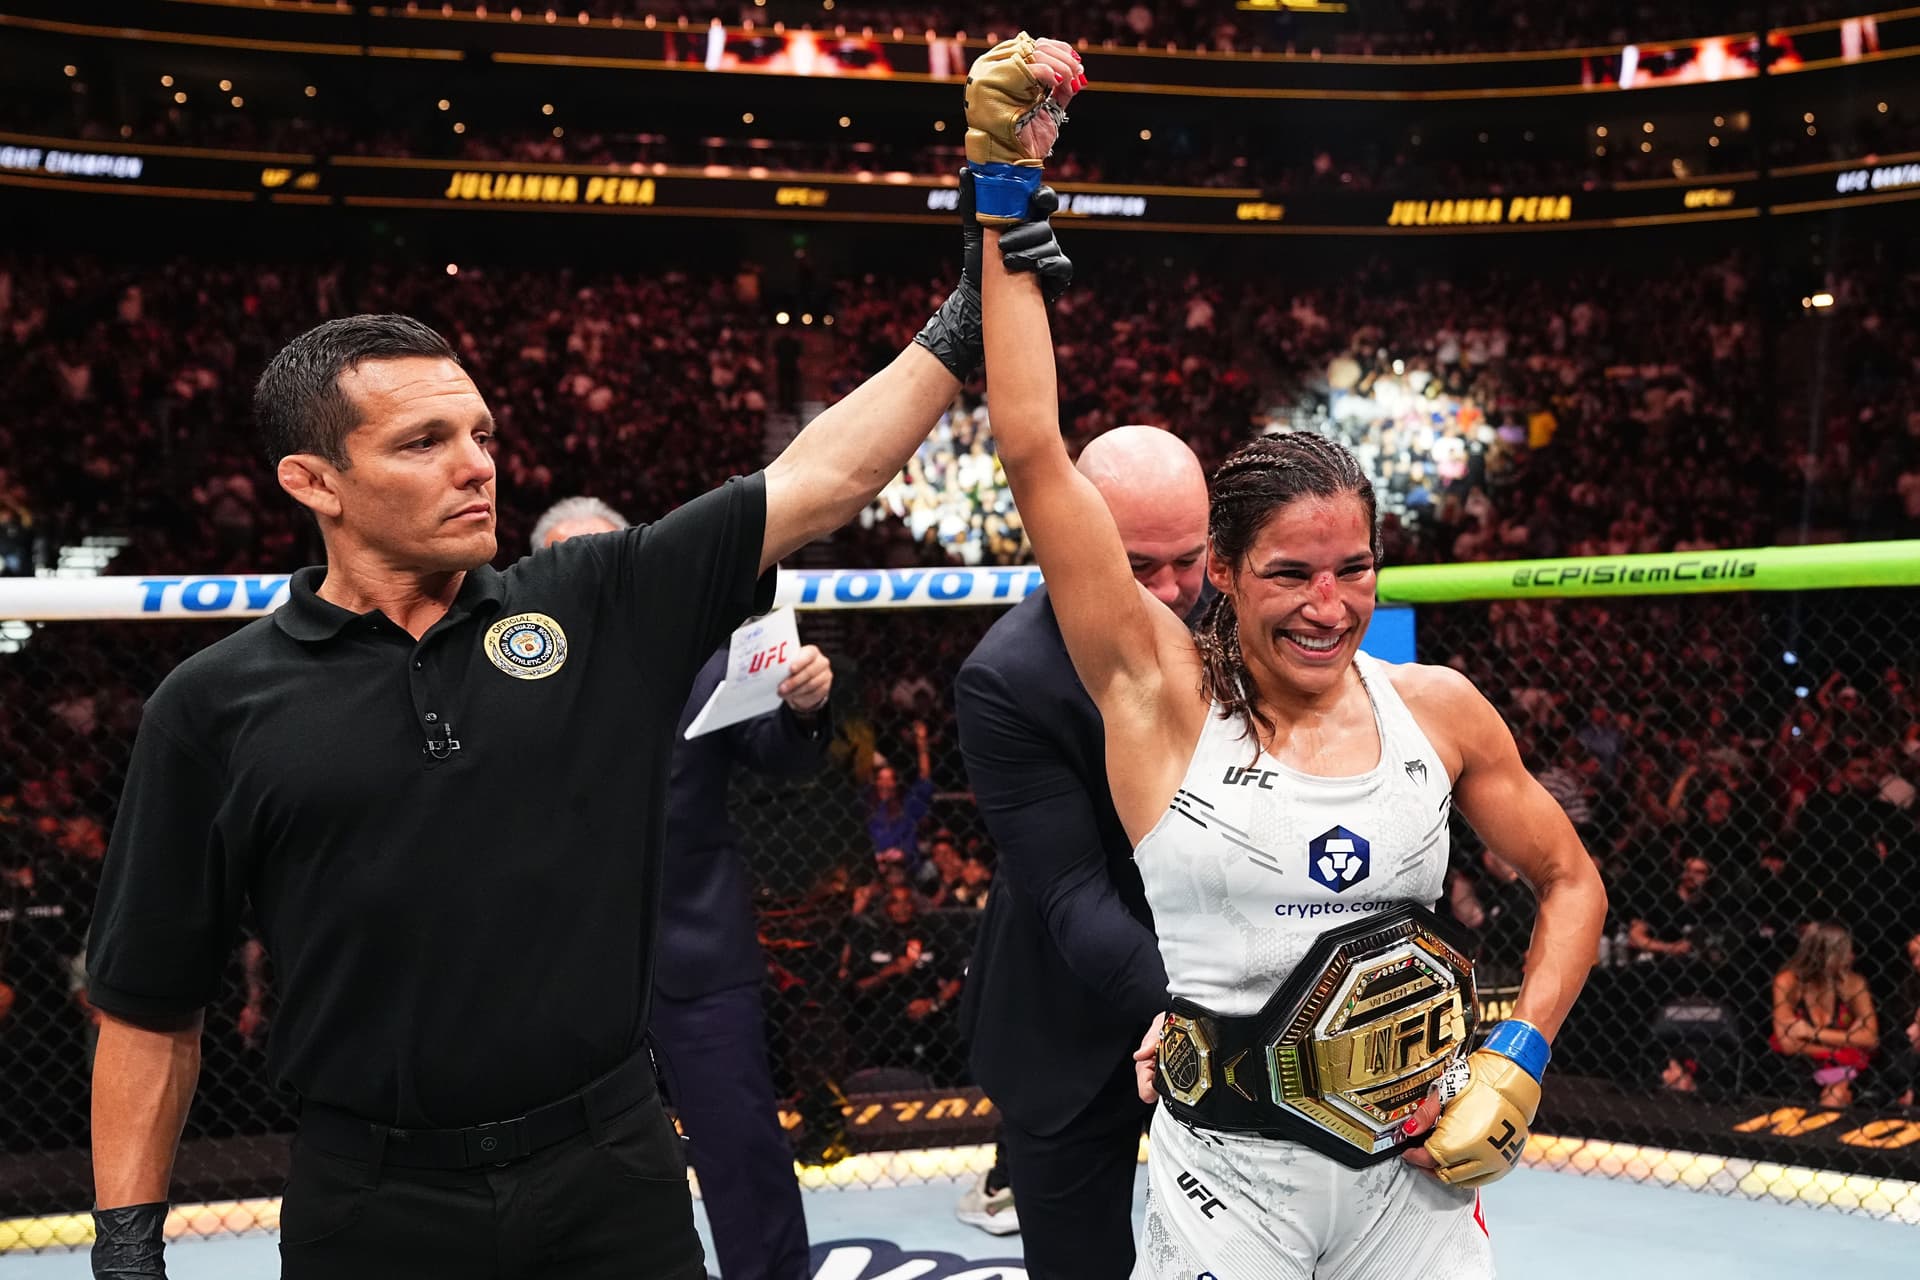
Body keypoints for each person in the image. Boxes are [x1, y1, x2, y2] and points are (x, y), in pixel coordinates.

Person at [83, 66, 1084, 1277]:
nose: (476, 465)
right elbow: (150, 1000)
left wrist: (964, 312)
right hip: (372, 1196)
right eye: (424, 442)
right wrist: (127, 1245)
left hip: (609, 1165)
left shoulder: (589, 596)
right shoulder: (214, 706)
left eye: (483, 434)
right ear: (313, 482)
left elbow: (821, 479)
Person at [971, 38, 1606, 1274]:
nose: (1330, 604)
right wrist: (999, 194)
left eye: (1354, 568)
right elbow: (1034, 447)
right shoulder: (1159, 699)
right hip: (1230, 1187)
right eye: (1291, 574)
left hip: (1417, 1187)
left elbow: (1572, 883)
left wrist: (1519, 1054)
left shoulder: (1443, 708)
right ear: (1221, 568)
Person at [536, 495, 831, 1280]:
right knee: (569, 1169)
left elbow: (783, 753)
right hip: (558, 972)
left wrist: (804, 708)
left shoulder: (699, 665)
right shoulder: (509, 683)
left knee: (742, 1150)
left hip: (698, 958)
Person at [953, 425, 1204, 1273]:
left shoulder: (1241, 631)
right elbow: (1073, 894)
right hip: (1062, 1018)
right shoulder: (1009, 676)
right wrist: (1219, 1013)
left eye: (1190, 560)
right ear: (1074, 535)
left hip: (1227, 992)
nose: (1172, 591)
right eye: (1141, 566)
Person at [1768, 921, 1880, 1108]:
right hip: (1796, 1068)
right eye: (1844, 953)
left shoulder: (1853, 983)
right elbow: (1788, 1044)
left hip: (1844, 1070)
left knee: (1835, 1095)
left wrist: (1812, 1034)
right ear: (1823, 954)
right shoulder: (1788, 981)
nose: (1851, 958)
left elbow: (1870, 1039)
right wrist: (1842, 1045)